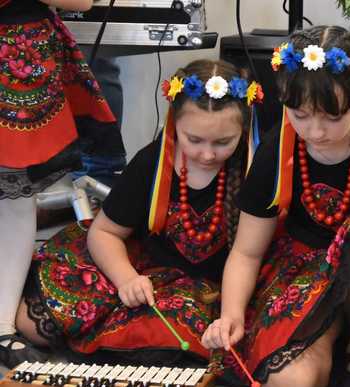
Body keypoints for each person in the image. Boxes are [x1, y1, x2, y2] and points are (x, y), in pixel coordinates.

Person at [200, 26, 350, 387]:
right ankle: (328, 338)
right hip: (305, 275)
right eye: (300, 115)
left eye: (332, 117)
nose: (315, 132)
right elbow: (247, 252)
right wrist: (232, 313)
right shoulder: (278, 147)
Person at [11, 59, 262, 367]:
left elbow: (248, 256)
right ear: (173, 124)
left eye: (223, 142)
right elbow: (104, 232)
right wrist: (126, 278)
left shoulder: (254, 169)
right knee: (34, 323)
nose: (207, 154)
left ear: (243, 129)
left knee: (174, 341)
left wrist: (230, 314)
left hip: (224, 285)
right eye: (193, 140)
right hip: (148, 269)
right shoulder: (152, 163)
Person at [0, 0, 121, 368]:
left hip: (19, 51)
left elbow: (81, 0)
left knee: (17, 198)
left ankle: (3, 322)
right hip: (19, 49)